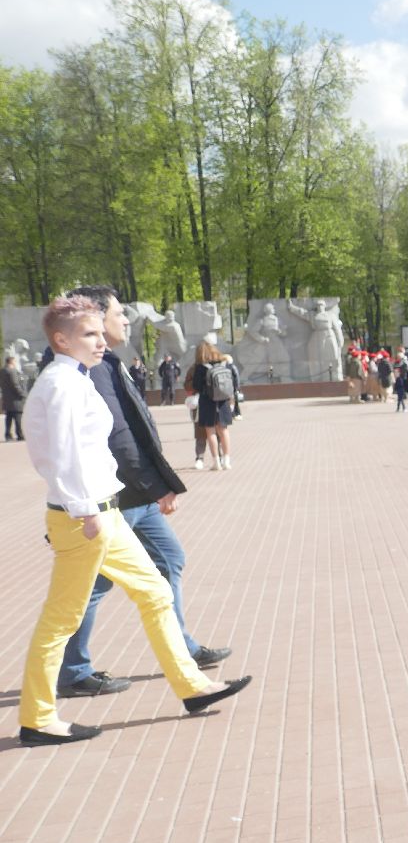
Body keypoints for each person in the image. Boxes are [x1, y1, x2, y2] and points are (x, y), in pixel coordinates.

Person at [18, 295, 251, 746]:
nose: (100, 339)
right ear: (61, 340)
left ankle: (193, 687)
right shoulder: (61, 384)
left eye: (99, 331)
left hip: (104, 511)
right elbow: (62, 457)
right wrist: (84, 510)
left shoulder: (75, 378)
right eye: (89, 333)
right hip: (87, 517)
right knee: (61, 620)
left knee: (155, 591)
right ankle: (38, 717)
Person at [49, 285, 233, 697]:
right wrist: (157, 487)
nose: (126, 320)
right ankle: (73, 672)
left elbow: (135, 429)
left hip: (133, 494)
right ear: (93, 320)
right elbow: (118, 438)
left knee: (167, 560)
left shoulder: (105, 362)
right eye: (119, 314)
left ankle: (183, 652)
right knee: (93, 586)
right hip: (117, 497)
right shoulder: (89, 369)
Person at [190, 340, 238, 468]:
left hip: (207, 401)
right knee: (223, 430)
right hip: (223, 401)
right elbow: (234, 381)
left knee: (210, 431)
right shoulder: (224, 364)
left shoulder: (201, 367)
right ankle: (227, 460)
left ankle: (216, 461)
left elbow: (196, 386)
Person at [2, 354, 25, 440]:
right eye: (14, 361)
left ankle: (8, 435)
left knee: (9, 418)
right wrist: (22, 394)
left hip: (7, 398)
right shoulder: (12, 371)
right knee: (17, 418)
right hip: (15, 399)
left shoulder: (2, 371)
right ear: (11, 361)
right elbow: (15, 384)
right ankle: (20, 435)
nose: (15, 363)